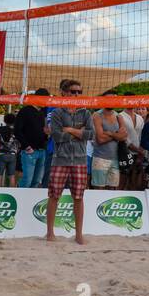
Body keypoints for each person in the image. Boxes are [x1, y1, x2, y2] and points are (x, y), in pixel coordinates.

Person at [46, 80, 94, 245]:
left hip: (79, 160)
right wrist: (80, 132)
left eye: (79, 92)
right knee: (54, 196)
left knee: (78, 198)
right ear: (64, 93)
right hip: (60, 159)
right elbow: (57, 136)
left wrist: (71, 130)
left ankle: (78, 235)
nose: (77, 95)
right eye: (73, 91)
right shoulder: (58, 113)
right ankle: (50, 232)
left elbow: (91, 135)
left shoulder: (85, 113)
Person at [16, 89, 50, 188]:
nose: (47, 102)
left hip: (42, 151)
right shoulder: (25, 111)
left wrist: (46, 135)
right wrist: (26, 146)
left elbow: (42, 131)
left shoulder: (43, 112)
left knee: (36, 181)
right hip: (29, 152)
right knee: (27, 180)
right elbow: (17, 131)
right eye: (46, 99)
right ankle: (21, 200)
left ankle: (29, 202)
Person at [91, 106, 127, 189]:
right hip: (100, 158)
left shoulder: (119, 116)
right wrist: (117, 135)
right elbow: (100, 139)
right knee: (99, 189)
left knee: (113, 190)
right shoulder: (97, 115)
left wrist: (110, 134)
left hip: (116, 159)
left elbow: (124, 137)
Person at [0, 112, 20, 187]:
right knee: (12, 176)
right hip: (13, 155)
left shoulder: (0, 129)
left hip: (1, 154)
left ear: (5, 120)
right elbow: (19, 144)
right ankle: (12, 192)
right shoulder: (17, 130)